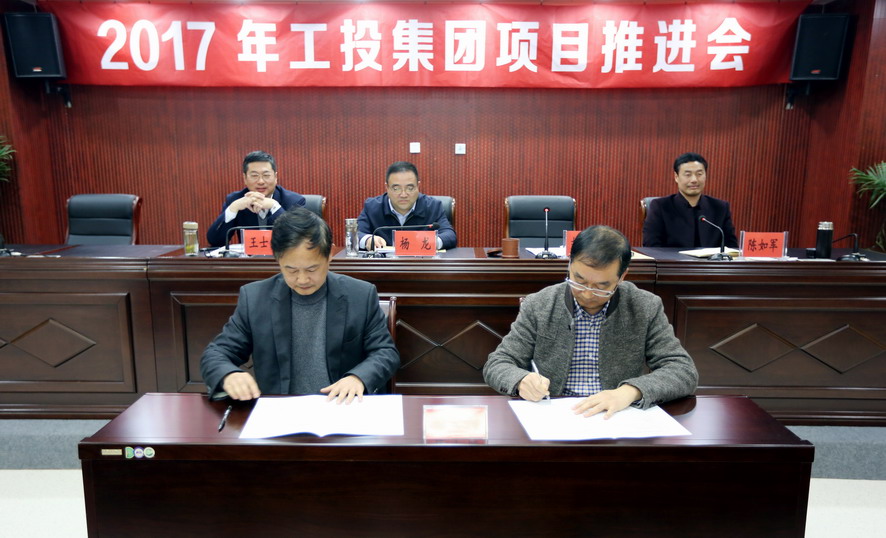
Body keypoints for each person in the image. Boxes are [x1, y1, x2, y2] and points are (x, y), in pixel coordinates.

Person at [483, 225, 698, 418]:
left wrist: (628, 392)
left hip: (617, 416)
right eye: (579, 280)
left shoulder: (644, 306)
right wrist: (521, 380)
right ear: (569, 263)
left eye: (602, 286)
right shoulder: (539, 304)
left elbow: (682, 371)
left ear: (622, 276)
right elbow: (498, 363)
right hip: (555, 414)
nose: (587, 294)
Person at [200, 207, 400, 402]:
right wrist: (229, 374)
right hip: (280, 409)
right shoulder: (255, 298)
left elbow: (385, 352)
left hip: (339, 406)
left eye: (312, 269)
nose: (302, 279)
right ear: (278, 260)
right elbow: (216, 353)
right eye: (291, 270)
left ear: (329, 256)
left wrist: (358, 377)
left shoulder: (360, 295)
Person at [206, 151, 306, 247]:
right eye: (254, 176)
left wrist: (274, 206)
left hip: (281, 258)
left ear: (275, 177)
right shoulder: (235, 200)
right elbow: (214, 240)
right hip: (250, 259)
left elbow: (299, 239)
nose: (261, 181)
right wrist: (233, 208)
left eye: (266, 175)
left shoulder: (294, 201)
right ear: (245, 178)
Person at [642, 152, 738, 249]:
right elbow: (652, 247)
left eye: (699, 174)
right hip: (671, 259)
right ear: (676, 177)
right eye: (688, 175)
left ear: (705, 175)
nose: (694, 180)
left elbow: (731, 248)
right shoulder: (660, 207)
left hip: (711, 259)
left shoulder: (720, 208)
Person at [357, 161, 457, 250]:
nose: (403, 195)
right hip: (385, 264)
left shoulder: (433, 206)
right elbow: (356, 233)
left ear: (418, 186)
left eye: (410, 188)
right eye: (396, 189)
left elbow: (450, 235)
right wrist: (367, 239)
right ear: (387, 187)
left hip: (420, 263)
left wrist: (432, 241)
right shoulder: (372, 207)